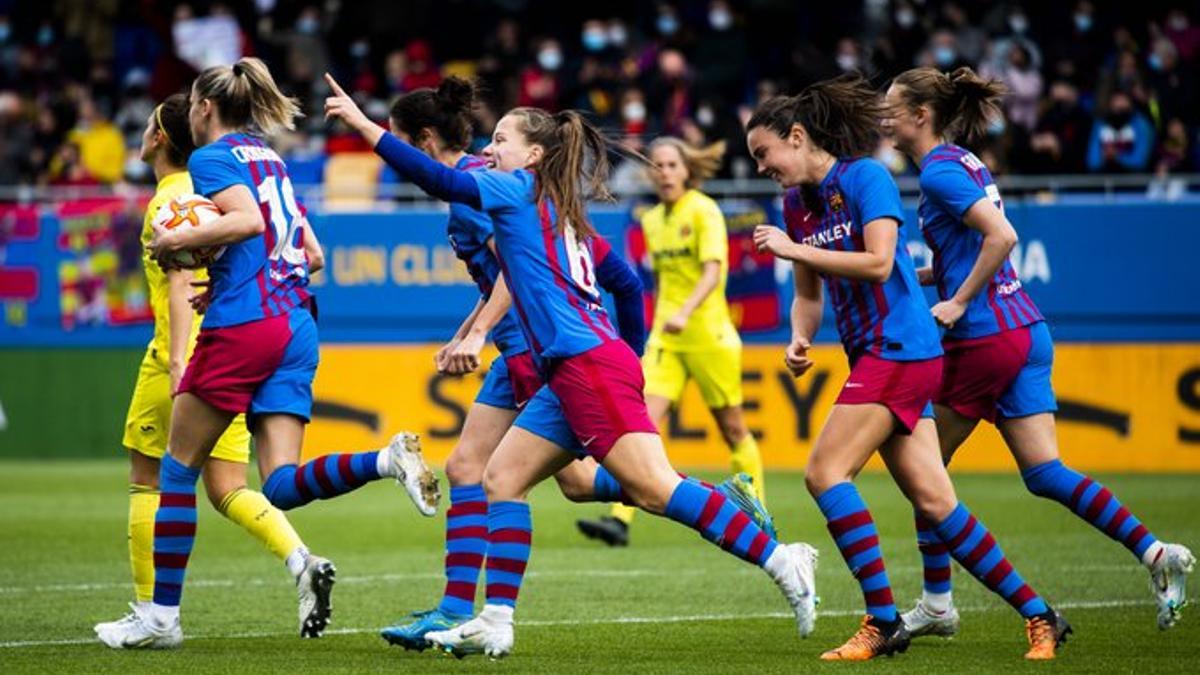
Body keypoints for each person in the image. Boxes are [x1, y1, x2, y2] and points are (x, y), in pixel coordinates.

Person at [325, 73, 817, 659]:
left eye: (501, 140)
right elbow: (626, 284)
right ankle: (495, 619)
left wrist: (362, 127)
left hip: (585, 362)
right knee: (502, 478)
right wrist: (629, 354)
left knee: (655, 490)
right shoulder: (554, 206)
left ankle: (782, 558)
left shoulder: (514, 189)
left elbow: (437, 176)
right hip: (577, 364)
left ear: (533, 154)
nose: (490, 149)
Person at [99, 57, 439, 650]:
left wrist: (175, 239)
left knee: (176, 471)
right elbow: (310, 255)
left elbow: (248, 221)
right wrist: (226, 275)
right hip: (295, 322)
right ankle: (385, 461)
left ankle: (160, 617)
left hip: (246, 328)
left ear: (204, 107)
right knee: (278, 484)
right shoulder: (269, 157)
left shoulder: (210, 159)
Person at [747, 75, 1069, 661]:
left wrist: (794, 249)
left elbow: (877, 263)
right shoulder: (797, 205)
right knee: (935, 502)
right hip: (878, 351)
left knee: (824, 474)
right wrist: (798, 336)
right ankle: (1040, 614)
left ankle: (883, 620)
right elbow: (809, 294)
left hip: (898, 347)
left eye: (764, 154)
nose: (762, 167)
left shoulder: (865, 177)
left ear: (797, 136)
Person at [884, 66, 1195, 637]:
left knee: (922, 470)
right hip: (1025, 331)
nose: (885, 121)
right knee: (1046, 473)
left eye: (891, 112)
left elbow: (1003, 237)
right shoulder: (964, 162)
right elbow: (973, 248)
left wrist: (956, 303)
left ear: (920, 116)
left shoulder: (936, 175)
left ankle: (936, 604)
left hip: (983, 340)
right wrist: (921, 277)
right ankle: (1156, 553)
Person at [94, 93, 316, 647]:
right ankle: (301, 560)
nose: (141, 134)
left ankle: (154, 609)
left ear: (162, 137)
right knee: (230, 487)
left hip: (197, 348)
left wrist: (176, 363)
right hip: (266, 329)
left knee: (155, 477)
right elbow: (306, 251)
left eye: (147, 126)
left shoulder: (179, 194)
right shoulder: (249, 167)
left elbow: (179, 285)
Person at [577, 137, 766, 547]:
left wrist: (685, 312)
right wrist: (665, 317)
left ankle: (758, 514)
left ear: (686, 170)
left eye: (670, 165)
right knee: (638, 422)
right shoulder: (651, 220)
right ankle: (619, 519)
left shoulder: (704, 210)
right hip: (667, 337)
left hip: (708, 334)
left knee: (733, 427)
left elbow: (713, 272)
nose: (663, 172)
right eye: (657, 166)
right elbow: (661, 282)